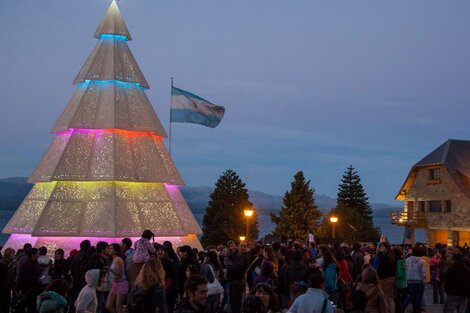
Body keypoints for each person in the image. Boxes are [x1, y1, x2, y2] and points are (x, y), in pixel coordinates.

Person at [225, 241, 250, 313]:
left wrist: (228, 265)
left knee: (236, 303)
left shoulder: (245, 257)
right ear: (238, 246)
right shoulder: (237, 255)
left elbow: (236, 268)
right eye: (241, 246)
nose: (243, 248)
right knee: (232, 301)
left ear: (247, 248)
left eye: (245, 246)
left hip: (238, 282)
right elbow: (228, 257)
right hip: (233, 281)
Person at [17, 247, 42, 313]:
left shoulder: (36, 263)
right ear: (33, 255)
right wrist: (37, 278)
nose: (39, 255)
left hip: (34, 289)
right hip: (28, 289)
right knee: (27, 306)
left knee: (31, 306)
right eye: (38, 254)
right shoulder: (26, 264)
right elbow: (25, 277)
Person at [105, 244, 128, 313]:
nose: (109, 250)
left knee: (119, 307)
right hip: (115, 283)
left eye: (111, 248)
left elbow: (120, 274)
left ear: (116, 251)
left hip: (121, 284)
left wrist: (110, 269)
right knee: (108, 305)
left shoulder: (119, 259)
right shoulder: (113, 259)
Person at [404, 246, 426, 313]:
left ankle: (403, 307)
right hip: (419, 282)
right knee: (418, 300)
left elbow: (405, 268)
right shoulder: (422, 261)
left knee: (411, 297)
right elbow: (423, 273)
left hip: (410, 281)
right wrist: (424, 282)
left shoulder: (408, 259)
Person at [0, 247, 16, 313]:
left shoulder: (13, 263)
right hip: (2, 287)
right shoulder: (1, 263)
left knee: (7, 303)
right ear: (8, 254)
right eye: (13, 254)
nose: (14, 255)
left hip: (8, 286)